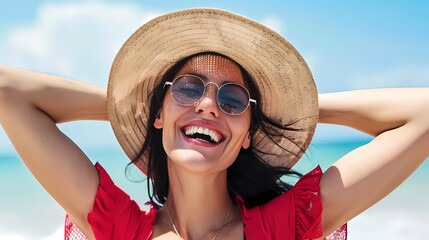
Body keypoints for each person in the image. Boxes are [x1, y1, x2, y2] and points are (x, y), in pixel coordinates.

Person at [0, 8, 428, 240]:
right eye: (187, 89)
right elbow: (7, 90)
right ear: (157, 114)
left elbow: (422, 116)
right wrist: (132, 105)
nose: (208, 105)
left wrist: (288, 115)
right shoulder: (119, 230)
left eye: (232, 99)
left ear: (246, 136)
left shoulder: (282, 230)